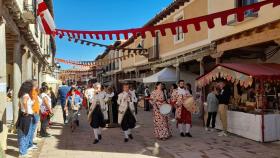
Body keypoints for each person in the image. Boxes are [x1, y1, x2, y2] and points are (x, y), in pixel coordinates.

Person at [16, 81, 34, 157]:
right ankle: (22, 153)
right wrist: (26, 110)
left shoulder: (21, 94)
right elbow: (24, 102)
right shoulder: (26, 95)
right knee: (24, 134)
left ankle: (23, 151)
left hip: (23, 115)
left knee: (23, 134)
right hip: (26, 115)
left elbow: (20, 105)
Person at [27, 79, 41, 151]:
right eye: (37, 83)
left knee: (32, 129)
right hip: (33, 112)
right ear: (34, 84)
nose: (38, 84)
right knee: (31, 129)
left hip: (36, 112)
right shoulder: (31, 91)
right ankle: (29, 144)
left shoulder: (35, 91)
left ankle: (30, 143)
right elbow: (31, 102)